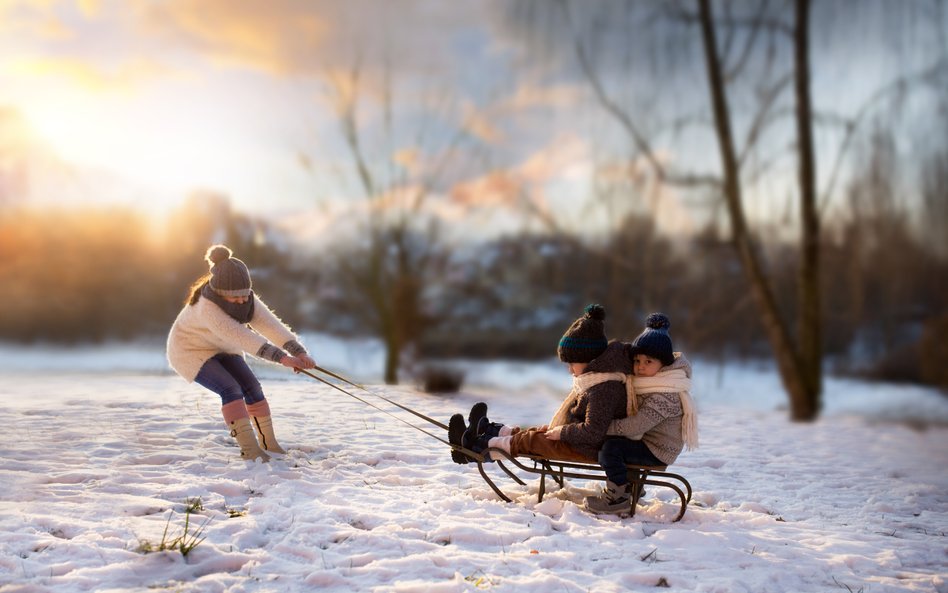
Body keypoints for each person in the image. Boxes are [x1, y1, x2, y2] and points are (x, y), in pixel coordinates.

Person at [167, 244, 316, 462]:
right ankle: (250, 450)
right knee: (231, 389)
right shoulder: (207, 307)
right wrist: (284, 359)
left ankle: (269, 444)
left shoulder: (246, 299)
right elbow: (243, 337)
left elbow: (270, 326)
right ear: (220, 292)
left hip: (223, 347)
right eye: (235, 297)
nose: (242, 300)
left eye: (245, 295)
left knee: (252, 387)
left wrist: (298, 352)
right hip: (189, 350)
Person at [448, 304, 630, 465]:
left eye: (572, 364)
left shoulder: (603, 389)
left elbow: (593, 432)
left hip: (586, 448)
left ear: (590, 359)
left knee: (530, 440)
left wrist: (562, 432)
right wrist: (560, 428)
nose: (570, 371)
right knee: (533, 433)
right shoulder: (595, 381)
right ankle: (488, 432)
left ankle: (474, 449)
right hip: (581, 442)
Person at [584, 313, 697, 515]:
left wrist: (601, 427)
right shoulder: (648, 384)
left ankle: (618, 497)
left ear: (663, 364)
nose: (641, 366)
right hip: (649, 441)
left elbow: (636, 426)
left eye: (648, 361)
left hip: (658, 449)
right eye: (637, 360)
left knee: (611, 448)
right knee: (616, 444)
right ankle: (630, 485)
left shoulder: (665, 394)